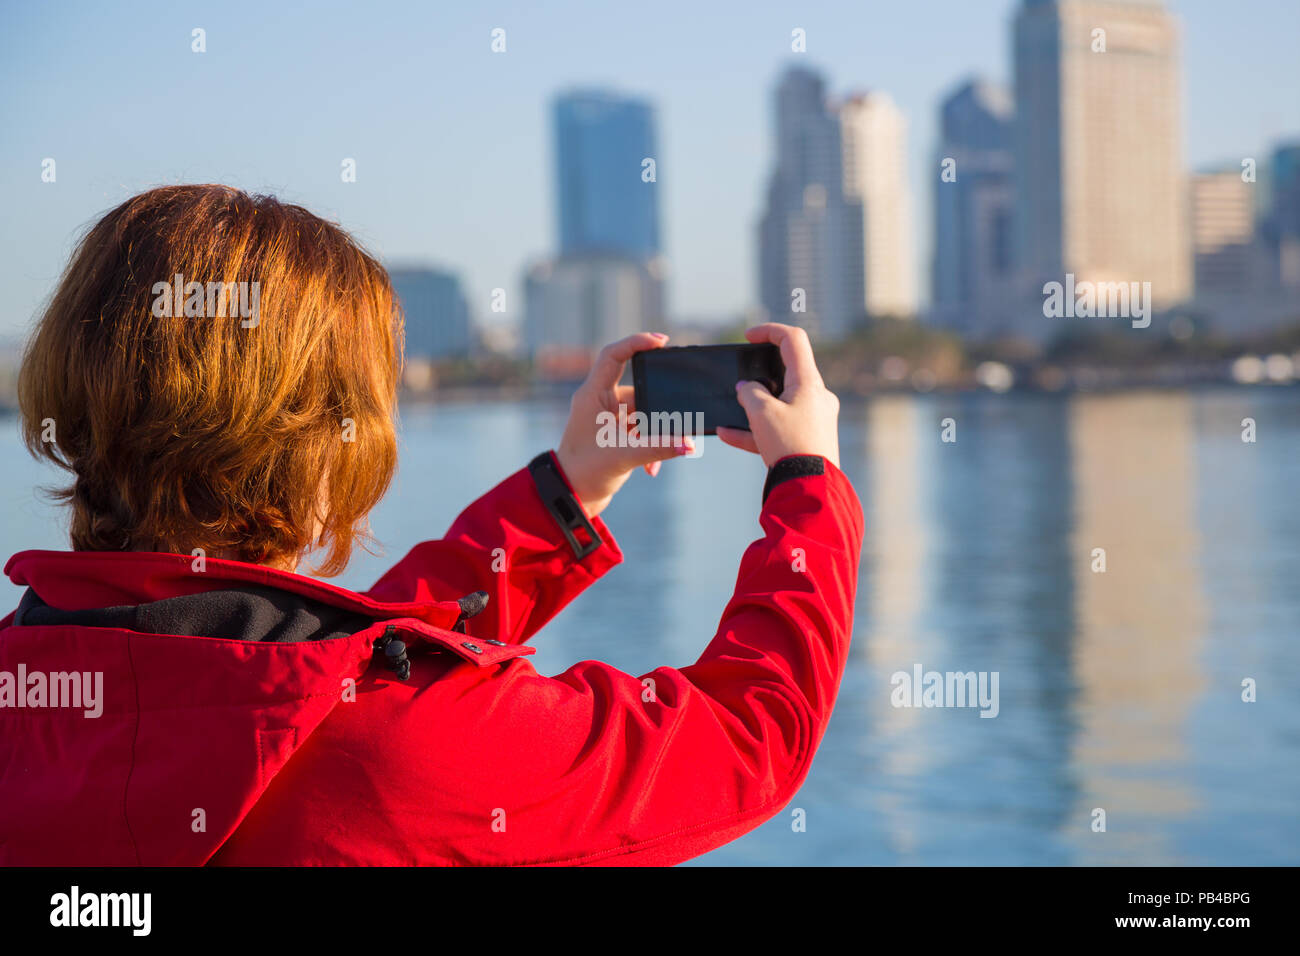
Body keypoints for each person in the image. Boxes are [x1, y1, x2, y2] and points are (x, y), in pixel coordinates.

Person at [0, 184, 863, 866]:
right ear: (330, 442)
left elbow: (304, 676)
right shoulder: (403, 753)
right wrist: (807, 483)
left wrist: (565, 494)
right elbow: (747, 737)